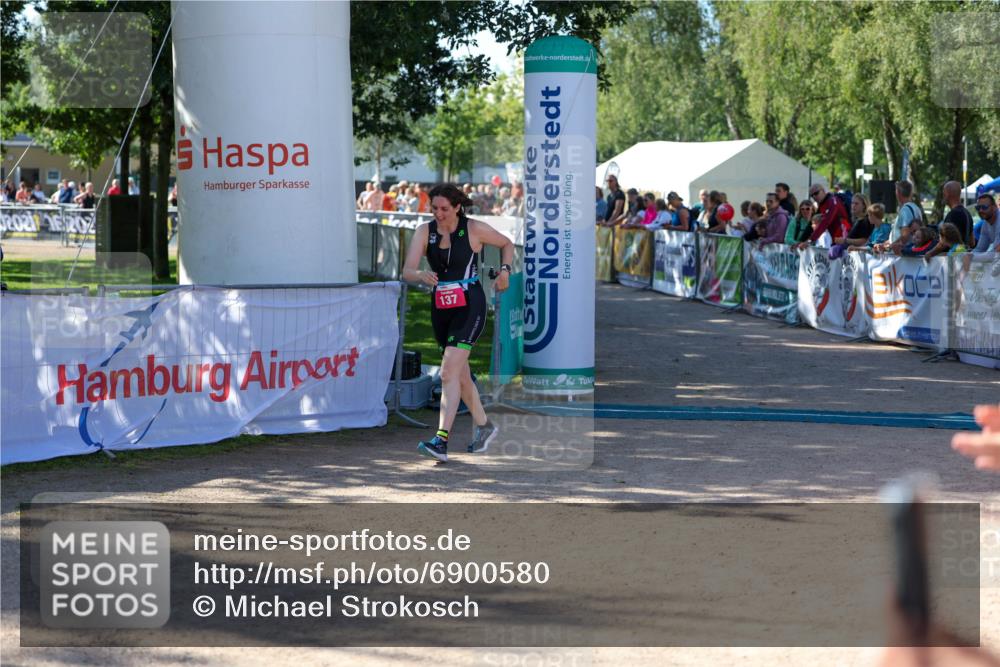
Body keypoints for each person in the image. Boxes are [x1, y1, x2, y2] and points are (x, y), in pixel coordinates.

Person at [401, 184, 513, 462]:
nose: (438, 213)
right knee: (460, 375)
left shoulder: (474, 229)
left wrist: (505, 271)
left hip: (470, 305)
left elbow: (507, 244)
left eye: (444, 209)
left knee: (448, 372)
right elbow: (407, 271)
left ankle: (441, 441)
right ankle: (485, 426)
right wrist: (420, 275)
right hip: (441, 307)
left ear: (457, 207)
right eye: (434, 208)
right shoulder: (424, 231)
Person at [942, 181, 974, 246]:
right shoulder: (967, 213)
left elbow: (944, 244)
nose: (943, 197)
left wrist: (930, 253)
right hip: (963, 254)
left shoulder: (953, 215)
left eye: (943, 194)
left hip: (953, 255)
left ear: (947, 194)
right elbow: (972, 242)